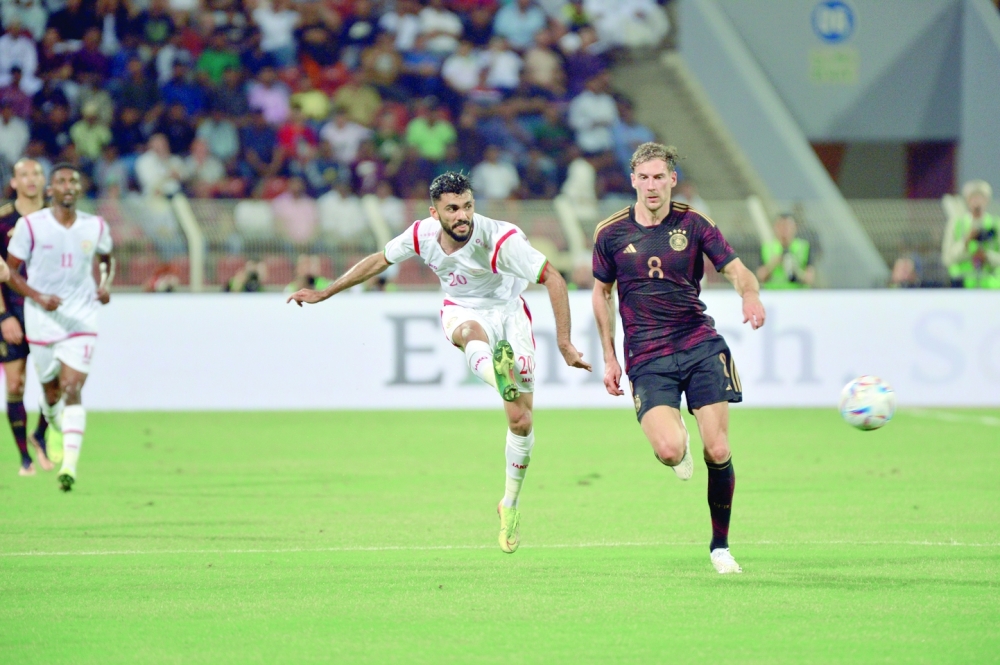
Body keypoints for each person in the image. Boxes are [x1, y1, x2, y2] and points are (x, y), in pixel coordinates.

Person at [289, 172, 592, 553]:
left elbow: (554, 278)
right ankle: (496, 373)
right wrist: (325, 292)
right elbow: (379, 260)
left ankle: (509, 503)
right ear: (435, 213)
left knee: (522, 420)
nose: (462, 215)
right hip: (462, 309)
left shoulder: (501, 238)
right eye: (452, 209)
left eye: (467, 206)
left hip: (509, 312)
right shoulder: (421, 234)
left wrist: (564, 342)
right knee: (468, 333)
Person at [591, 143, 765, 574]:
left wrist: (751, 296)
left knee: (719, 447)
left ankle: (720, 547)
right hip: (647, 357)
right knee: (669, 450)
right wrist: (610, 358)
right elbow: (601, 293)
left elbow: (738, 270)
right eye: (644, 178)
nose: (652, 186)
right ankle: (678, 442)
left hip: (699, 344)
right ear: (633, 180)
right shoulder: (610, 233)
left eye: (659, 177)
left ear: (672, 180)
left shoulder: (695, 224)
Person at [6, 163, 114, 492]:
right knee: (50, 391)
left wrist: (106, 283)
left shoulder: (94, 225)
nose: (68, 186)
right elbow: (9, 272)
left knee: (72, 387)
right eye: (61, 181)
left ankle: (69, 465)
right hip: (41, 320)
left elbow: (108, 258)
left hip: (81, 318)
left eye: (73, 181)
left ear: (79, 189)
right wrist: (37, 296)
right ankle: (50, 428)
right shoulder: (30, 226)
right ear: (51, 189)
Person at [0, 158, 42, 475]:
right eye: (24, 174)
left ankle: (41, 435)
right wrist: (3, 316)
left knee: (57, 383)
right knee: (16, 381)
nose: (31, 179)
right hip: (12, 310)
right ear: (14, 182)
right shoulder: (2, 220)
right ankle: (24, 457)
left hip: (48, 310)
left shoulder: (57, 219)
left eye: (37, 173)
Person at [942, 180, 999, 289]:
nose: (977, 202)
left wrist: (987, 256)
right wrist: (966, 242)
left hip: (990, 287)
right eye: (973, 198)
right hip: (961, 285)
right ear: (967, 201)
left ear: (987, 200)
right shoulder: (956, 224)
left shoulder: (995, 225)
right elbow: (947, 258)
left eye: (981, 198)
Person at [756, 214, 815, 289]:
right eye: (781, 226)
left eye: (788, 226)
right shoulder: (766, 247)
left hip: (798, 296)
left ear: (795, 228)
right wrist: (774, 263)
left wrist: (796, 270)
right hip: (774, 295)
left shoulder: (804, 247)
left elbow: (810, 278)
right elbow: (760, 276)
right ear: (775, 228)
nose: (784, 230)